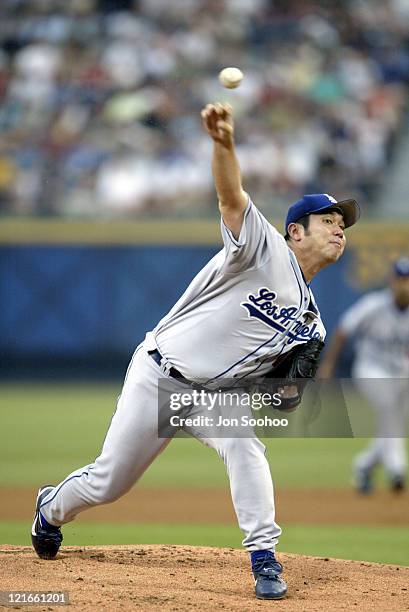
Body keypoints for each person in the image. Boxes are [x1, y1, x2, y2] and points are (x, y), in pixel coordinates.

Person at [31, 103, 360, 600]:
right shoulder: (263, 249)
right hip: (159, 375)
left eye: (344, 223)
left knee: (245, 445)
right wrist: (224, 143)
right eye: (329, 220)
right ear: (296, 231)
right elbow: (232, 196)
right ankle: (51, 507)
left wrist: (286, 390)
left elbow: (278, 391)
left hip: (213, 397)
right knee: (109, 483)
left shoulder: (312, 324)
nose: (340, 229)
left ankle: (264, 558)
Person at [319, 257, 409, 493]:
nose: (405, 285)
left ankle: (364, 466)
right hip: (371, 368)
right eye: (401, 279)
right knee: (389, 410)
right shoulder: (374, 305)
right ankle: (396, 469)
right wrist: (328, 364)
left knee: (395, 422)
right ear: (392, 281)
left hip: (401, 372)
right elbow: (343, 331)